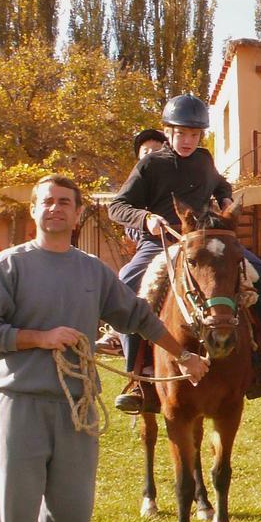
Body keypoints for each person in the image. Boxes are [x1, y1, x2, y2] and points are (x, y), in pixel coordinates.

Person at [0, 175, 209, 522]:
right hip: (23, 403)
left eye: (65, 203)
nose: (55, 209)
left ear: (78, 215)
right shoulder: (9, 265)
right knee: (13, 512)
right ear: (34, 211)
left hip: (77, 407)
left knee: (71, 510)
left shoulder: (93, 271)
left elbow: (137, 317)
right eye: (47, 202)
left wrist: (181, 354)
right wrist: (39, 337)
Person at [108, 93, 261, 412]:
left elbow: (220, 185)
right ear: (168, 131)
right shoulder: (151, 164)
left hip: (204, 240)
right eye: (181, 133)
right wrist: (145, 218)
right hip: (162, 243)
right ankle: (137, 377)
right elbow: (117, 206)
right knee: (127, 283)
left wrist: (225, 200)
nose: (187, 140)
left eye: (194, 134)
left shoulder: (204, 159)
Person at [95, 129, 171, 355]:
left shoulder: (179, 172)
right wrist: (147, 227)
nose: (150, 155)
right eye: (145, 151)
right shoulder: (136, 184)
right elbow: (128, 221)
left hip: (189, 238)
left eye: (155, 151)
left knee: (253, 274)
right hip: (153, 244)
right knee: (127, 278)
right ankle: (122, 344)